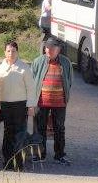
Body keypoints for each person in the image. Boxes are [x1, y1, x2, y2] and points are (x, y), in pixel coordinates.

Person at [30, 37, 72, 165]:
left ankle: (59, 155)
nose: (49, 50)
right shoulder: (38, 61)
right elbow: (31, 82)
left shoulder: (66, 62)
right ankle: (39, 154)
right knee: (40, 128)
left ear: (58, 50)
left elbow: (69, 81)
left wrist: (65, 96)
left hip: (59, 103)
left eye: (52, 48)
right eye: (47, 47)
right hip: (41, 102)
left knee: (59, 129)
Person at [0, 40, 32, 170]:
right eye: (8, 51)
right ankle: (8, 161)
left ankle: (19, 162)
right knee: (7, 133)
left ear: (17, 52)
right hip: (4, 105)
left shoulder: (24, 68)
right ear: (4, 52)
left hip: (20, 105)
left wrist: (31, 105)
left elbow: (31, 88)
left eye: (13, 51)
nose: (11, 53)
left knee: (20, 134)